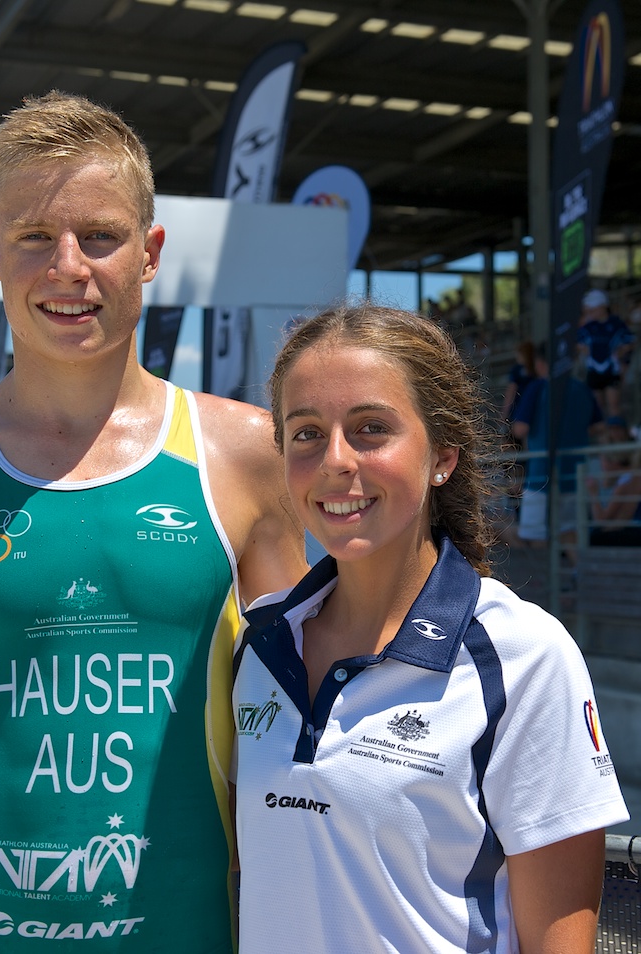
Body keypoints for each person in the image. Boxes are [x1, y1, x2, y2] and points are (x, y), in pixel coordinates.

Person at [0, 91, 307, 953]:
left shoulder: (248, 455)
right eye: (35, 237)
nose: (68, 267)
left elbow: (299, 738)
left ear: (148, 254)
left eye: (100, 237)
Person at [231, 303, 629, 954]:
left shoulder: (524, 656)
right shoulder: (257, 645)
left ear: (442, 455)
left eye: (370, 429)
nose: (335, 460)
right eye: (305, 433)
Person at [511, 340, 602, 548]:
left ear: (541, 363)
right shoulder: (582, 388)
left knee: (536, 537)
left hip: (541, 477)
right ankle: (579, 576)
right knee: (569, 533)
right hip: (575, 476)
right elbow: (600, 426)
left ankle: (547, 581)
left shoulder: (538, 387)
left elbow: (520, 428)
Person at [577, 288, 634, 418]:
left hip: (612, 370)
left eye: (594, 309)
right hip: (593, 370)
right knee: (597, 407)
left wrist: (621, 353)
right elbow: (578, 343)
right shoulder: (588, 326)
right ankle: (605, 435)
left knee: (614, 405)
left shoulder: (616, 324)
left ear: (603, 307)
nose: (591, 312)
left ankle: (616, 433)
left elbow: (629, 342)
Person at [586, 415, 641, 547]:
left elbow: (602, 520)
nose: (615, 433)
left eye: (618, 429)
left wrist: (593, 494)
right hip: (627, 531)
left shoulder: (628, 480)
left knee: (592, 537)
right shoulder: (629, 479)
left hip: (628, 533)